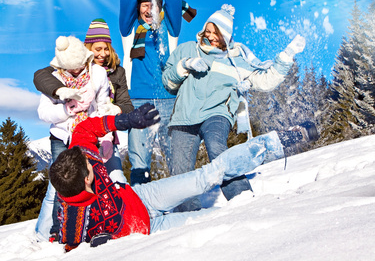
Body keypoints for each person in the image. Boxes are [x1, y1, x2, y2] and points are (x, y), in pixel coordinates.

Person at [49, 102, 308, 252]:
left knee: (207, 175)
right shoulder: (72, 219)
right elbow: (68, 245)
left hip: (142, 197)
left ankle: (280, 141)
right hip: (149, 230)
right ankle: (283, 210)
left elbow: (87, 128)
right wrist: (98, 243)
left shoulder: (81, 153)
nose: (91, 158)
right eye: (89, 164)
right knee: (217, 219)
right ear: (85, 180)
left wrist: (125, 120)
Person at [162, 4, 317, 212]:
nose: (210, 36)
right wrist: (185, 65)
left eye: (215, 32)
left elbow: (265, 81)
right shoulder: (188, 49)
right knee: (181, 173)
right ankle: (188, 216)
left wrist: (287, 56)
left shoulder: (236, 60)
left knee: (217, 149)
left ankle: (243, 200)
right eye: (207, 31)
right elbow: (168, 83)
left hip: (217, 114)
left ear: (225, 35)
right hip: (183, 116)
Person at [119, 0, 196, 185]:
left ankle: (183, 204)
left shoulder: (170, 30)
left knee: (176, 157)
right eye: (144, 4)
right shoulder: (130, 31)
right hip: (138, 100)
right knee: (140, 160)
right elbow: (125, 3)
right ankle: (142, 205)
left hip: (169, 100)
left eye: (152, 3)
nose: (148, 9)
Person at [33, 18, 134, 184]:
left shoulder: (115, 72)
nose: (103, 54)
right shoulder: (65, 66)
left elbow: (125, 105)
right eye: (98, 49)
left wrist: (113, 111)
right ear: (87, 49)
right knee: (62, 187)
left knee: (114, 178)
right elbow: (40, 77)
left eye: (106, 49)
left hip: (102, 132)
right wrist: (65, 99)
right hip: (67, 134)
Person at [35, 35, 111, 242]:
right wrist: (67, 109)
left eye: (79, 66)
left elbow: (104, 105)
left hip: (88, 136)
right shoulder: (54, 80)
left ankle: (90, 223)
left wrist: (106, 135)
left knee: (90, 179)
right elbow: (43, 112)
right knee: (59, 184)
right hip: (62, 137)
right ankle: (57, 228)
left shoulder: (98, 74)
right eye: (71, 68)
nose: (76, 71)